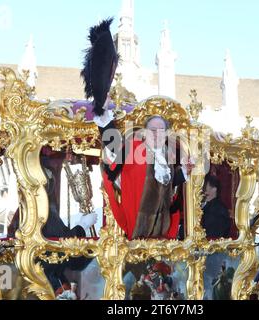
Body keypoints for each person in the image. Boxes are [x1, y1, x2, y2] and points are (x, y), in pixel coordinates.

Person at [81, 19, 191, 240]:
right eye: (153, 130)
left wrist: (185, 173)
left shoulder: (165, 157)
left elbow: (167, 185)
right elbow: (113, 146)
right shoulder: (133, 149)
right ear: (145, 132)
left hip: (162, 236)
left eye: (161, 130)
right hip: (138, 234)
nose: (157, 134)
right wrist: (103, 114)